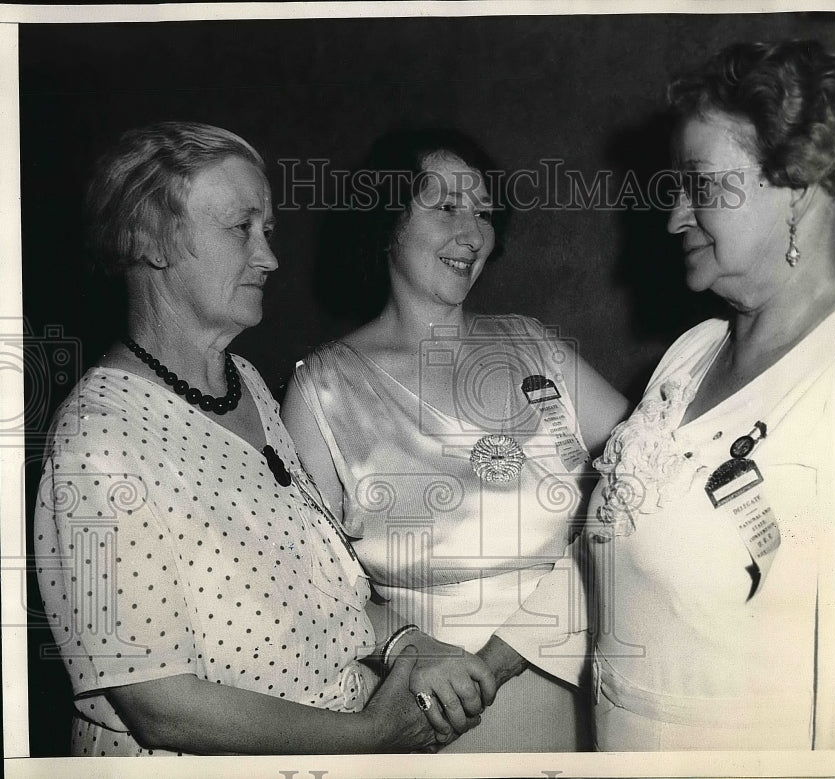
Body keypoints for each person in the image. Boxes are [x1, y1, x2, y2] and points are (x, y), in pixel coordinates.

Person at [487, 39, 835, 751]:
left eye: (702, 185)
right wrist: (487, 661)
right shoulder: (692, 355)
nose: (674, 217)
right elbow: (620, 548)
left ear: (800, 185)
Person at [33, 121, 494, 756]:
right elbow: (160, 706)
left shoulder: (245, 383)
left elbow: (316, 596)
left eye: (268, 230)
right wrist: (370, 734)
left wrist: (406, 643)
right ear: (151, 240)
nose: (269, 256)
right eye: (240, 227)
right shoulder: (97, 440)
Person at [281, 128, 631, 751]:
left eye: (485, 214)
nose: (472, 234)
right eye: (446, 207)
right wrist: (405, 645)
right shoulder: (321, 391)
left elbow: (645, 485)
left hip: (576, 679)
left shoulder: (536, 345)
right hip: (430, 705)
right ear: (387, 219)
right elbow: (306, 585)